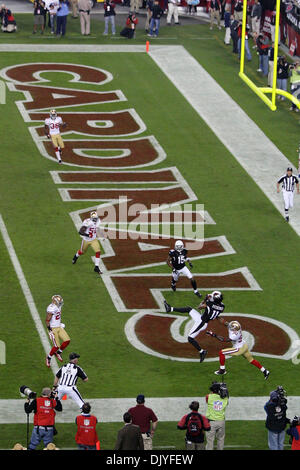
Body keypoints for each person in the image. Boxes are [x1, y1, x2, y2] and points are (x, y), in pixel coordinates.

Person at [164, 290, 226, 362]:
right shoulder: (222, 306)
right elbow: (215, 306)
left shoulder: (210, 303)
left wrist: (205, 299)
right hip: (202, 319)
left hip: (201, 322)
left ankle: (202, 352)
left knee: (190, 338)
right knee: (189, 309)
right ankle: (170, 309)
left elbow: (200, 307)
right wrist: (208, 300)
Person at [72, 210, 104, 275]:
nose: (95, 219)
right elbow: (80, 232)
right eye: (94, 218)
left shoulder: (98, 221)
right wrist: (87, 235)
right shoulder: (87, 222)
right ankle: (76, 256)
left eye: (96, 218)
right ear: (91, 218)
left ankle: (96, 267)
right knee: (82, 252)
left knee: (98, 251)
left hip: (94, 239)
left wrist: (102, 235)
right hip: (86, 240)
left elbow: (97, 228)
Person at [45, 294, 70, 368]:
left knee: (67, 340)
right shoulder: (51, 308)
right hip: (53, 328)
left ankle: (58, 353)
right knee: (56, 346)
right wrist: (50, 330)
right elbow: (47, 320)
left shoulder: (58, 306)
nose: (61, 303)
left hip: (59, 326)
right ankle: (48, 357)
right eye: (59, 301)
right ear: (55, 302)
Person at [205, 381, 229, 450]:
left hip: (211, 422)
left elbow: (209, 397)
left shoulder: (208, 397)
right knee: (221, 439)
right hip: (221, 421)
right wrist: (225, 389)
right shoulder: (225, 399)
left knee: (210, 441)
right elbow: (227, 398)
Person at [264, 386, 289, 450]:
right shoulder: (283, 406)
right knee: (280, 445)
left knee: (273, 446)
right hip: (282, 427)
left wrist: (273, 399)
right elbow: (284, 412)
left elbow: (266, 406)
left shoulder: (270, 407)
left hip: (273, 428)